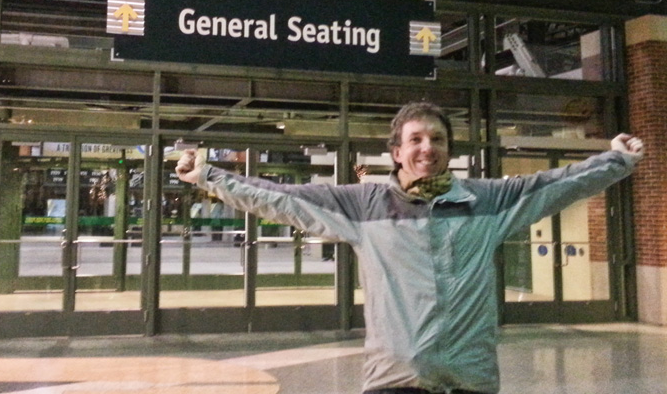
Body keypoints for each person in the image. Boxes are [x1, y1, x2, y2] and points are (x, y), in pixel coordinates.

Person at [176, 102, 645, 394]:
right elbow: (281, 199)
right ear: (396, 152)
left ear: (448, 149)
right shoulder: (364, 206)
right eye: (415, 139)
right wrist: (210, 177)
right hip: (395, 381)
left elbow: (556, 183)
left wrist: (617, 160)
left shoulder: (487, 202)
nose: (428, 147)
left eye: (437, 139)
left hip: (471, 381)